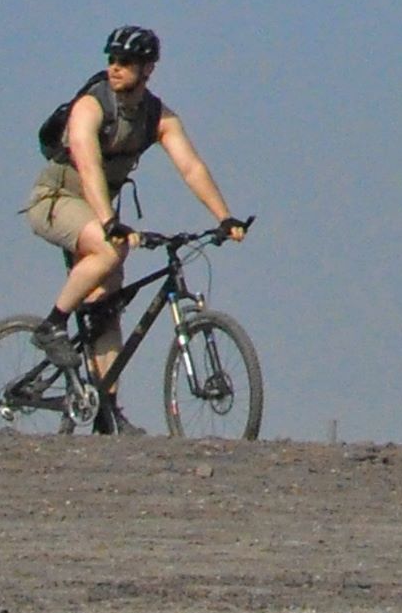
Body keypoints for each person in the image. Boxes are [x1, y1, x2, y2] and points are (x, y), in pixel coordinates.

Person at [25, 26, 247, 375]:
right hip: (56, 199)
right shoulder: (91, 105)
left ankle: (105, 413)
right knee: (111, 250)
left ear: (148, 70)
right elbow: (89, 165)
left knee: (107, 311)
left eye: (125, 62)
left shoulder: (158, 116)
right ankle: (52, 325)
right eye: (111, 59)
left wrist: (225, 217)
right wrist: (108, 222)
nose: (114, 67)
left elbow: (190, 166)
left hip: (96, 208)